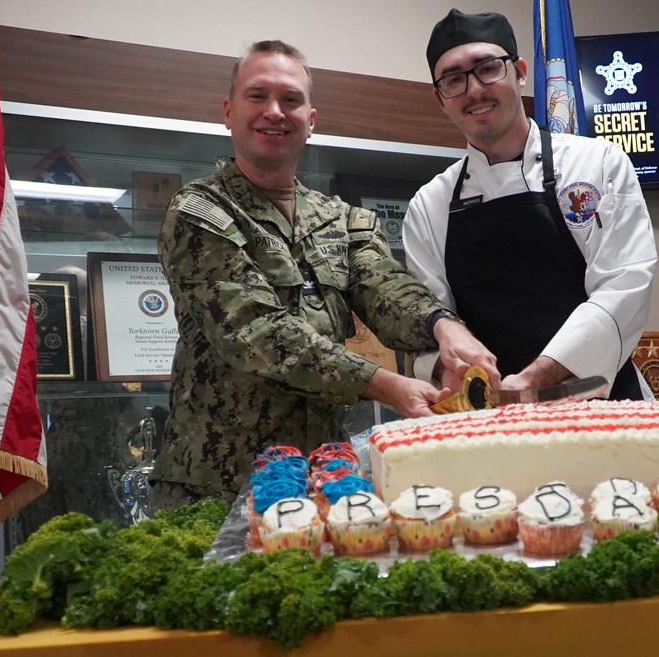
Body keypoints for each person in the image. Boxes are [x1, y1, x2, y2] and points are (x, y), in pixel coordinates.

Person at [151, 40, 496, 509]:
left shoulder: (344, 219)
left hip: (321, 480)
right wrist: (387, 384)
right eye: (258, 96)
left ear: (310, 120)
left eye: (291, 99)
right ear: (229, 112)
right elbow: (255, 331)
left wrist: (444, 326)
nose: (275, 111)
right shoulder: (200, 212)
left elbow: (386, 288)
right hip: (218, 488)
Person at [403, 9, 657, 400]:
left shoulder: (596, 164)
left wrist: (537, 378)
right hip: (494, 415)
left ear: (520, 72)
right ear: (440, 99)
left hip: (604, 403)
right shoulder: (429, 206)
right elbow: (427, 324)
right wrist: (446, 367)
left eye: (487, 68)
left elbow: (624, 286)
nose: (473, 90)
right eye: (454, 79)